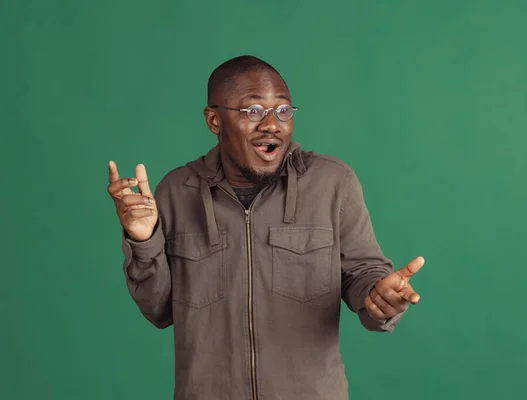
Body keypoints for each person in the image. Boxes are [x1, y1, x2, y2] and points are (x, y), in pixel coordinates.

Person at [107, 55, 424, 400]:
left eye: (283, 110)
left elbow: (363, 274)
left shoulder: (333, 183)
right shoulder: (176, 191)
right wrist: (143, 239)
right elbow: (159, 310)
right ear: (214, 119)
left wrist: (379, 298)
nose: (272, 124)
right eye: (253, 110)